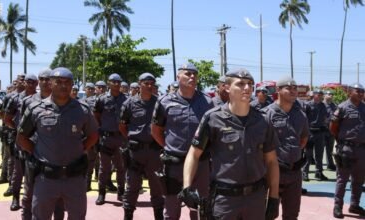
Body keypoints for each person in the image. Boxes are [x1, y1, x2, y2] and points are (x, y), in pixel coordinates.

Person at [180, 68, 279, 220]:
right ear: (227, 87)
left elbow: (271, 161)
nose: (247, 88)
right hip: (224, 201)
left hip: (255, 199)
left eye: (250, 84)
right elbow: (193, 154)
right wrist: (187, 187)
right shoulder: (213, 118)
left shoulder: (263, 121)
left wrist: (273, 197)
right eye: (240, 84)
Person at [16, 67, 98, 220]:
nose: (63, 85)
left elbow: (93, 135)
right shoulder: (36, 108)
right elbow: (21, 137)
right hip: (46, 178)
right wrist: (38, 152)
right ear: (51, 84)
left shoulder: (83, 110)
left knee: (78, 217)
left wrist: (81, 148)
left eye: (67, 82)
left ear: (73, 84)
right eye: (58, 82)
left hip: (74, 178)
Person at [151, 63, 214, 220]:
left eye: (194, 74)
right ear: (178, 77)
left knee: (201, 208)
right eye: (188, 74)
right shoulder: (165, 101)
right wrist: (168, 146)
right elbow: (156, 130)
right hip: (174, 163)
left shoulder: (207, 102)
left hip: (200, 163)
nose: (192, 77)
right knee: (172, 208)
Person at [119, 73, 164, 220]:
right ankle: (128, 215)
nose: (150, 86)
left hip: (154, 151)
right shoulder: (129, 103)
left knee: (157, 186)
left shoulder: (159, 103)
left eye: (152, 83)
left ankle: (158, 215)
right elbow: (122, 126)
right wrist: (134, 138)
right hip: (135, 152)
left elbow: (163, 126)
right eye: (146, 83)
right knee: (132, 186)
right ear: (139, 84)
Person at [265, 76, 309, 219]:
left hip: (294, 173)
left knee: (292, 214)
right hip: (272, 173)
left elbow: (303, 138)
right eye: (288, 88)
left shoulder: (301, 115)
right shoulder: (266, 114)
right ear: (278, 90)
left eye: (295, 88)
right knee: (268, 213)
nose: (293, 91)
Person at [330, 83, 365, 218]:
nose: (361, 93)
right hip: (346, 149)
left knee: (359, 179)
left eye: (362, 91)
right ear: (350, 92)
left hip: (362, 149)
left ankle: (354, 205)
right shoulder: (343, 107)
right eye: (358, 91)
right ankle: (338, 206)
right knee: (342, 179)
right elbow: (333, 126)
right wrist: (341, 141)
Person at [5, 73, 38, 211]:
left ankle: (35, 199)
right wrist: (18, 129)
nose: (30, 84)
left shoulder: (41, 98)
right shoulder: (15, 98)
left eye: (32, 82)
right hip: (20, 139)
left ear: (36, 84)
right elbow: (7, 118)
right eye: (28, 81)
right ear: (24, 83)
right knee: (18, 171)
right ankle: (15, 198)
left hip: (36, 140)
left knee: (36, 172)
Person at [93, 73, 127, 205]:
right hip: (106, 138)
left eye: (119, 82)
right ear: (109, 83)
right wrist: (101, 130)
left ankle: (121, 192)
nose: (117, 84)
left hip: (120, 138)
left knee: (121, 167)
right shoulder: (102, 99)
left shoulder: (126, 99)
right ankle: (101, 193)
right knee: (104, 168)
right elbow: (96, 116)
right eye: (114, 82)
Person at [302, 89, 329, 181]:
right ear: (314, 95)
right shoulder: (307, 105)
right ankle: (305, 173)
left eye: (322, 94)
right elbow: (303, 119)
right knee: (308, 155)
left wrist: (325, 125)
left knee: (319, 154)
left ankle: (319, 173)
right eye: (319, 94)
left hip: (320, 133)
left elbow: (325, 118)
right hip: (310, 133)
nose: (321, 96)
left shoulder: (323, 106)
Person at [81, 82, 97, 191]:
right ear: (85, 90)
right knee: (89, 160)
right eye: (88, 89)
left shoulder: (98, 101)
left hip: (98, 133)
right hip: (87, 134)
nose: (90, 90)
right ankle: (87, 183)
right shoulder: (80, 103)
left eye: (92, 89)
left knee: (99, 161)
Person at [323, 90, 337, 171]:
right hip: (322, 130)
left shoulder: (334, 105)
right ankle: (318, 166)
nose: (331, 96)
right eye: (329, 94)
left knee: (329, 149)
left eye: (332, 94)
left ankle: (330, 164)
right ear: (325, 95)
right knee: (319, 150)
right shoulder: (321, 105)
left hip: (331, 130)